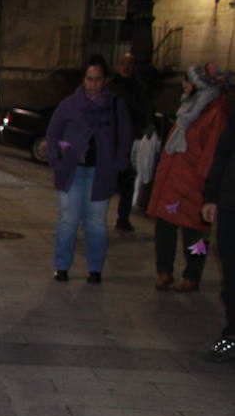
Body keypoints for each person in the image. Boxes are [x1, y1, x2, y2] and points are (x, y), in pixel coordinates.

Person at [46, 56, 132, 283]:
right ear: (83, 79)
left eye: (97, 79)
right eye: (89, 79)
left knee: (96, 223)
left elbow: (124, 136)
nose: (93, 84)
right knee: (68, 220)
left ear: (105, 80)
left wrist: (118, 164)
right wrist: (56, 159)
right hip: (72, 171)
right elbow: (53, 133)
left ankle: (95, 268)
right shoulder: (69, 105)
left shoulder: (115, 105)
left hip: (100, 172)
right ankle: (62, 266)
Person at [148, 64, 229, 292]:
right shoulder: (188, 107)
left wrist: (203, 182)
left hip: (193, 182)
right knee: (164, 226)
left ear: (200, 84)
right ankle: (164, 271)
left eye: (188, 81)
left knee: (195, 232)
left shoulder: (216, 112)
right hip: (172, 178)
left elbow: (213, 151)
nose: (183, 85)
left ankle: (193, 273)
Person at [202, 113, 235, 362]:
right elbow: (222, 155)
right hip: (231, 206)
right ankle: (231, 334)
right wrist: (211, 197)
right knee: (232, 276)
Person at [110, 52, 154, 231]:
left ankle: (123, 218)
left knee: (128, 181)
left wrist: (149, 125)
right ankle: (93, 216)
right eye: (123, 62)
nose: (126, 66)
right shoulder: (110, 87)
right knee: (105, 180)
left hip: (130, 141)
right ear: (118, 65)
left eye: (130, 63)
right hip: (110, 140)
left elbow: (147, 110)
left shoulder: (140, 88)